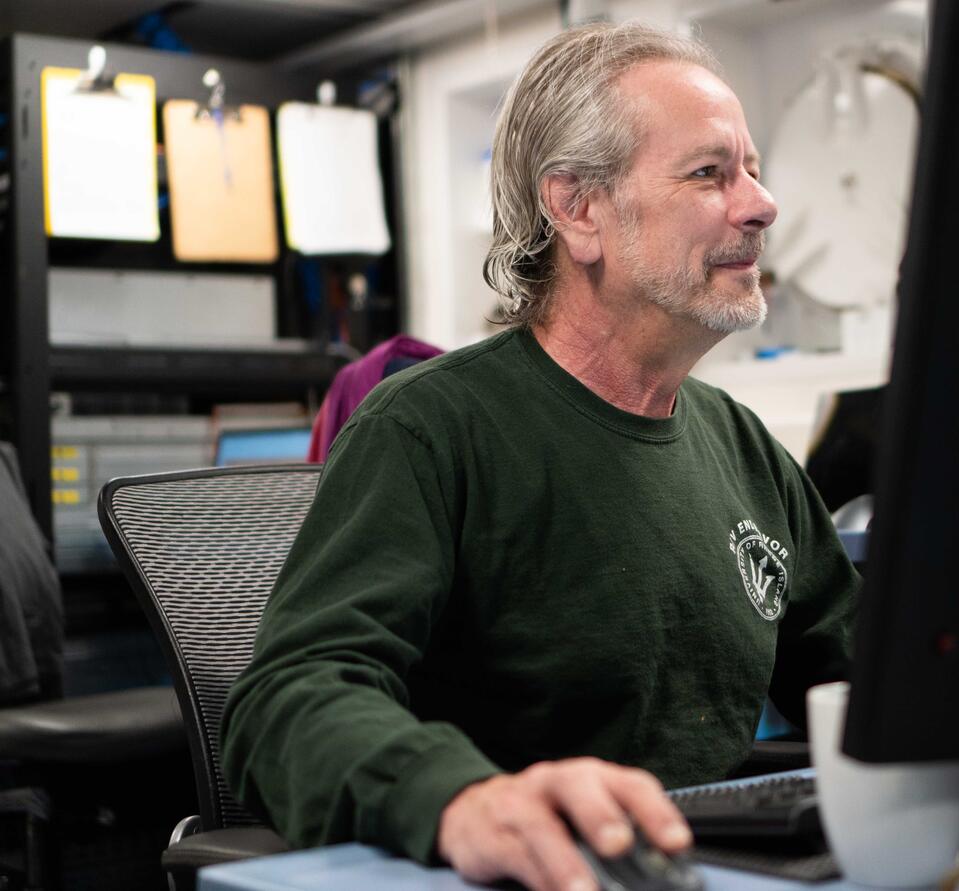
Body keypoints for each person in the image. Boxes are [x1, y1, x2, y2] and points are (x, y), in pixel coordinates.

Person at [221, 21, 859, 891]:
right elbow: (285, 702)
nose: (760, 203)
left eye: (751, 170)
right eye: (711, 172)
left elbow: (873, 673)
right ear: (578, 209)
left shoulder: (742, 446)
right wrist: (458, 799)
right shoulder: (432, 429)